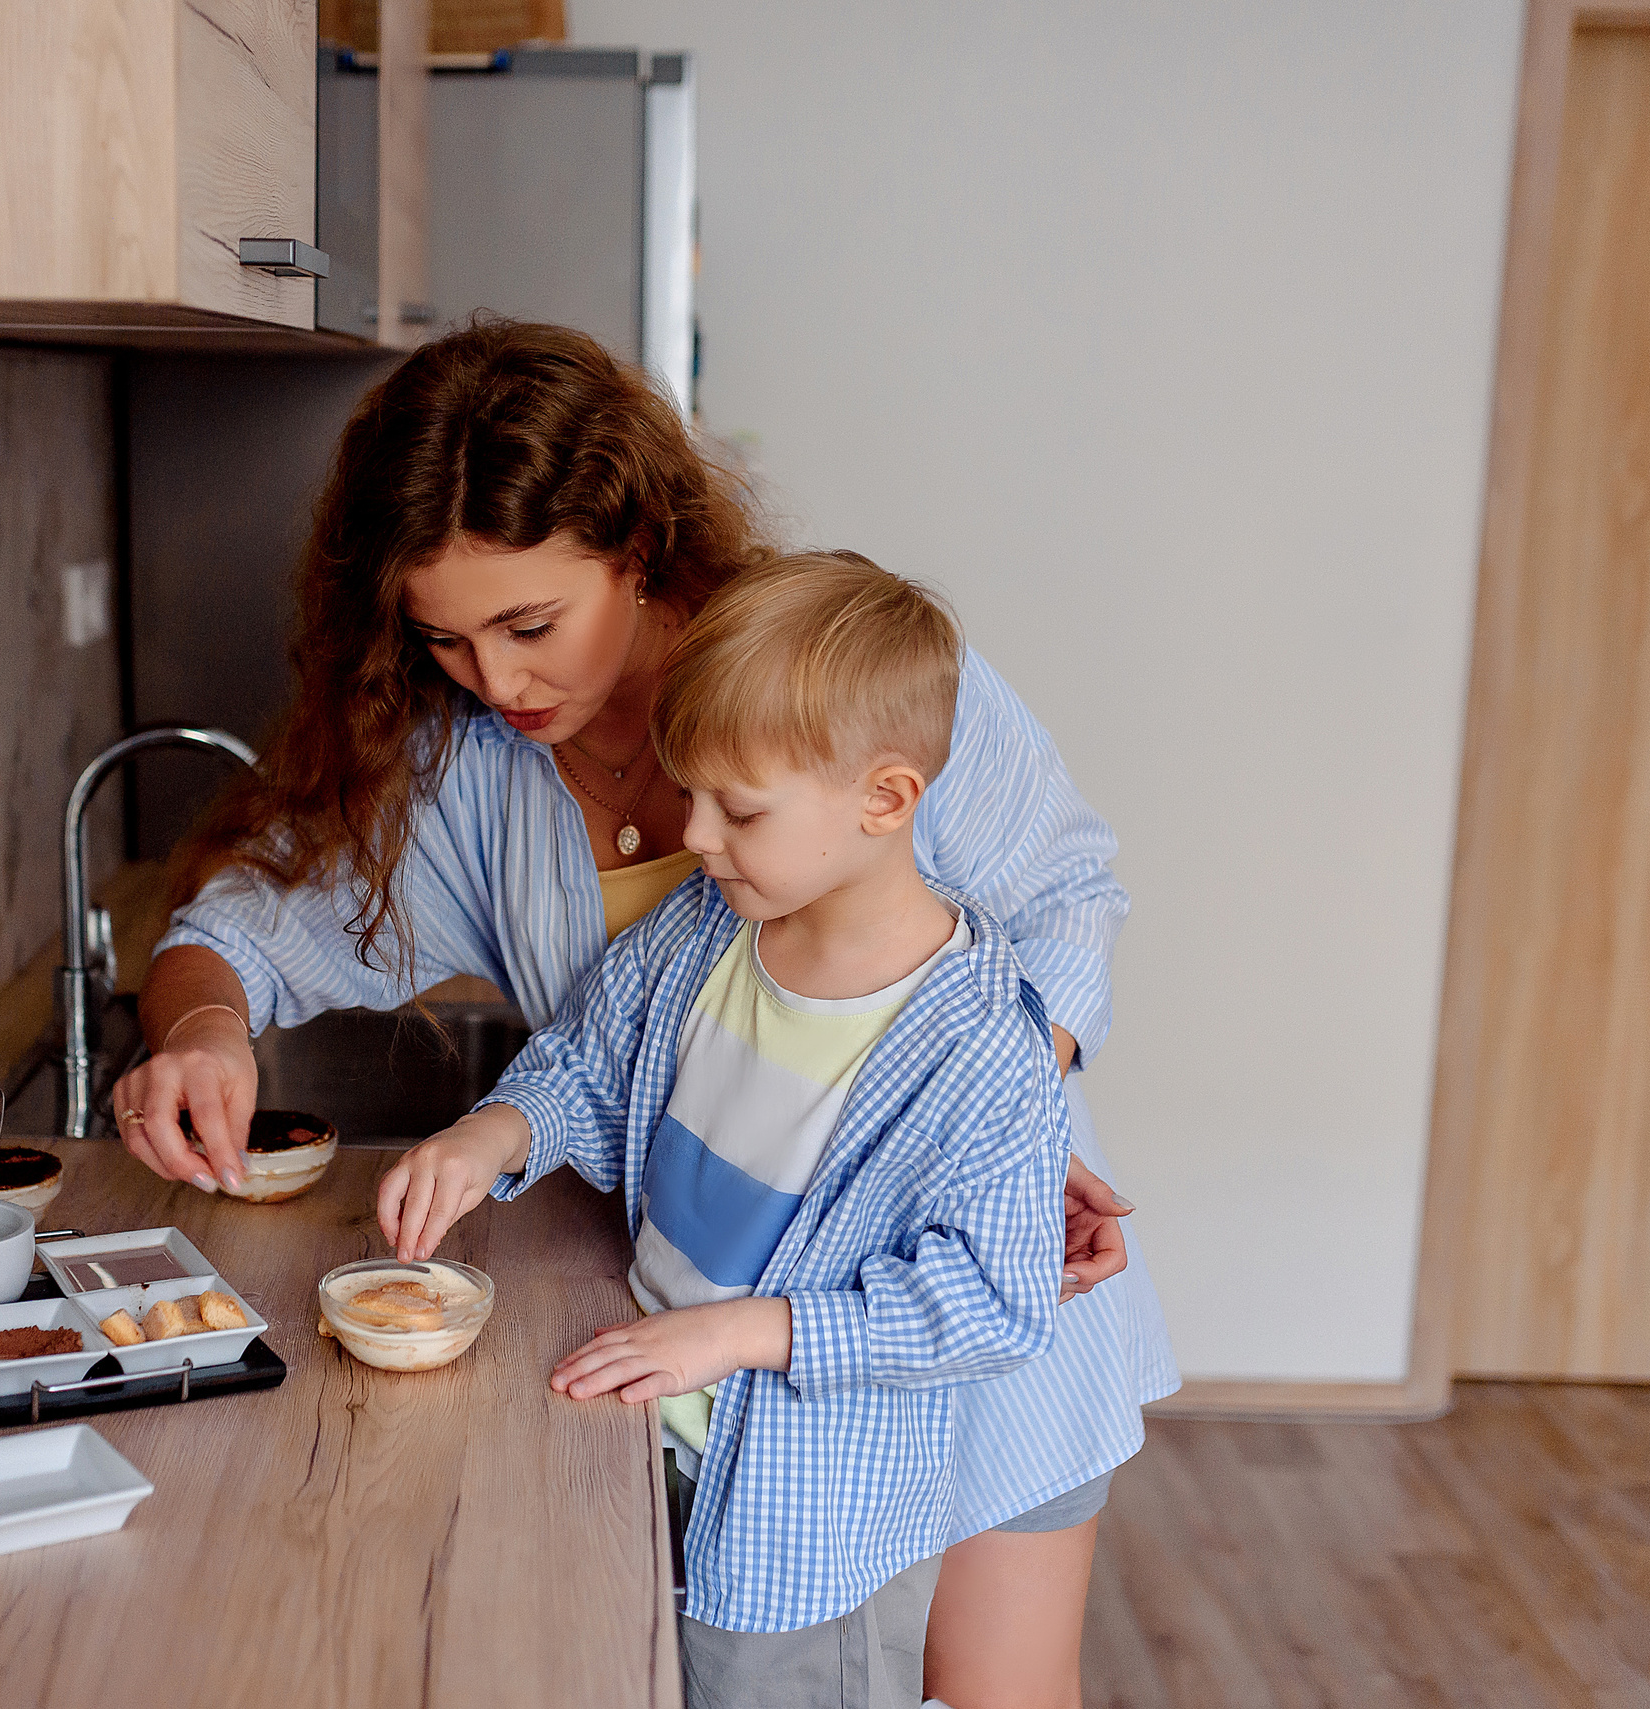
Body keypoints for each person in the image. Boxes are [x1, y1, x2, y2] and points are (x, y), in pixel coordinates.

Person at [113, 320, 1177, 1702]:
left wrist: (992, 1126)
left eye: (529, 626)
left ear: (636, 544)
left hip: (958, 1317)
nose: (497, 681)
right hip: (725, 1373)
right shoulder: (462, 774)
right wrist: (201, 1029)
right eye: (444, 641)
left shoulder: (840, 675)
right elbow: (240, 937)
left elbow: (1066, 895)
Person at [378, 552, 1071, 1707]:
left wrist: (744, 1332)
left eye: (738, 809)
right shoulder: (709, 927)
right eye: (688, 791)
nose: (694, 834)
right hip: (647, 1433)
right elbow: (590, 1059)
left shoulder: (980, 1044)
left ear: (885, 799)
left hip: (804, 1526)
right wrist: (493, 1132)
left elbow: (992, 1302)